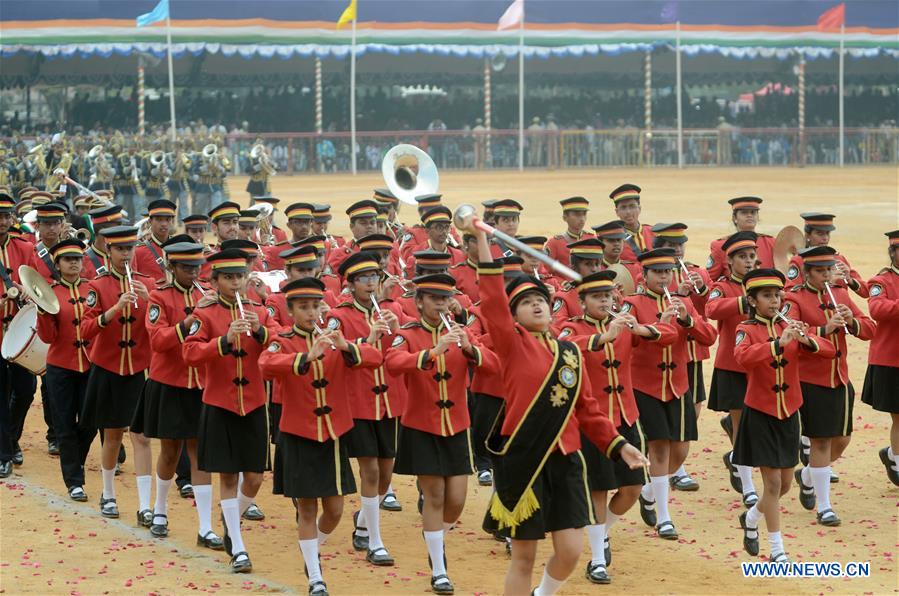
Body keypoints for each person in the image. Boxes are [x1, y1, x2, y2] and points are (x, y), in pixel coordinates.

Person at [469, 221, 648, 596]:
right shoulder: (511, 345)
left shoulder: (569, 353)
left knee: (570, 551)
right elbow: (492, 299)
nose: (536, 305)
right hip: (525, 460)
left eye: (540, 300)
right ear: (513, 316)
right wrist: (483, 238)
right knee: (524, 558)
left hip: (566, 461)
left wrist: (619, 445)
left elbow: (588, 410)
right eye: (525, 302)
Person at [260, 277, 383, 596]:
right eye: (303, 307)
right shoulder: (283, 340)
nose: (311, 313)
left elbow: (374, 359)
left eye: (315, 306)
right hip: (298, 434)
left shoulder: (334, 339)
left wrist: (345, 346)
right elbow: (266, 365)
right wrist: (305, 357)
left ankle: (310, 549)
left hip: (333, 435)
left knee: (336, 510)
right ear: (290, 311)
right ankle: (315, 576)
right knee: (307, 509)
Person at [386, 273, 496, 595]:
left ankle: (435, 537)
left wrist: (469, 348)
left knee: (457, 500)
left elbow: (492, 365)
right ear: (419, 302)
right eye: (434, 299)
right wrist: (433, 351)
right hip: (421, 425)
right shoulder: (407, 333)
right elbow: (394, 362)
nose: (441, 305)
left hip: (457, 425)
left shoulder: (461, 332)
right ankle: (439, 569)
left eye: (445, 299)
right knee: (434, 495)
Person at [182, 249, 277, 573]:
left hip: (254, 403)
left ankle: (230, 517)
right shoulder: (205, 313)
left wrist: (261, 332)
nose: (235, 283)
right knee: (228, 474)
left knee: (255, 477)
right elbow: (190, 353)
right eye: (228, 277)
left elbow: (279, 345)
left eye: (239, 277)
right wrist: (224, 341)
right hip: (220, 403)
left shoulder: (259, 312)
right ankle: (237, 546)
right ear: (216, 281)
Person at [557, 270, 652, 584]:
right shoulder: (573, 327)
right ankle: (598, 560)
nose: (604, 302)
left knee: (633, 489)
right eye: (596, 297)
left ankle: (602, 531)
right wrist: (602, 337)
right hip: (593, 422)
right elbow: (562, 347)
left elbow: (665, 335)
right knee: (598, 490)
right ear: (582, 302)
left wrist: (644, 327)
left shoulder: (623, 324)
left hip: (626, 416)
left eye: (608, 296)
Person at [732, 268, 833, 563]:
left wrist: (806, 339)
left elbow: (828, 350)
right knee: (773, 485)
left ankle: (751, 517)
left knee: (786, 484)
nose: (774, 301)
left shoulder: (789, 325)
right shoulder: (745, 329)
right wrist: (778, 344)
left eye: (777, 295)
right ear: (752, 301)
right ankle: (777, 549)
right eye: (767, 296)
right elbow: (743, 357)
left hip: (789, 411)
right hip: (760, 412)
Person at [625, 248, 716, 539]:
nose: (663, 277)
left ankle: (649, 492)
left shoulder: (683, 302)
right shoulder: (632, 303)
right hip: (646, 387)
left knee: (680, 450)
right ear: (644, 276)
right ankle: (664, 518)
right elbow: (630, 339)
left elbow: (709, 337)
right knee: (660, 449)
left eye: (667, 272)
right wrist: (659, 324)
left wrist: (688, 320)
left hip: (678, 385)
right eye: (657, 272)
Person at [784, 246, 875, 527]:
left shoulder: (840, 294)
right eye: (820, 271)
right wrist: (825, 328)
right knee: (821, 441)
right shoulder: (794, 297)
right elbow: (791, 333)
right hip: (811, 380)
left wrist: (852, 321)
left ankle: (808, 474)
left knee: (842, 439)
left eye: (828, 270)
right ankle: (824, 506)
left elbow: (870, 328)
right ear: (807, 273)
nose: (826, 275)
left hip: (840, 377)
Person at [142, 240, 224, 549]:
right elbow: (158, 341)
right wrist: (190, 320)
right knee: (170, 451)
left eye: (196, 267)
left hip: (201, 385)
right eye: (186, 268)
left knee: (200, 454)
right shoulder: (158, 296)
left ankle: (205, 527)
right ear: (172, 267)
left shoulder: (208, 295)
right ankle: (160, 510)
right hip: (170, 383)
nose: (193, 273)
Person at [328, 252, 405, 566]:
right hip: (358, 402)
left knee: (386, 474)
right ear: (350, 284)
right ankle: (375, 542)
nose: (371, 283)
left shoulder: (391, 310)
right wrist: (367, 337)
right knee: (370, 470)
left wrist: (398, 331)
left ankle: (362, 521)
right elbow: (333, 352)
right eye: (363, 279)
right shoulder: (339, 316)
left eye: (374, 277)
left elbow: (402, 350)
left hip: (390, 402)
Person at [79, 225, 154, 522]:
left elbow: (160, 326)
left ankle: (145, 505)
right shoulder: (98, 286)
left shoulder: (148, 284)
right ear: (108, 251)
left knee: (142, 437)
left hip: (138, 369)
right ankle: (108, 493)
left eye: (129, 249)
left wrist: (150, 300)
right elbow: (85, 329)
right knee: (111, 435)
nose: (126, 254)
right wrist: (113, 310)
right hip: (108, 368)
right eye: (120, 249)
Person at [652, 223, 713, 492]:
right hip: (666, 356)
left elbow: (708, 310)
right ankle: (674, 471)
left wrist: (700, 291)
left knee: (693, 408)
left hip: (691, 353)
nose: (677, 250)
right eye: (670, 245)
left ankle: (674, 465)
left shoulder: (696, 271)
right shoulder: (653, 273)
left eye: (680, 245)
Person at [34, 239, 96, 498]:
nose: (74, 263)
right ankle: (74, 481)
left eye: (77, 259)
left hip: (91, 364)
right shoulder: (49, 293)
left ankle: (75, 462)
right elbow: (48, 337)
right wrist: (42, 312)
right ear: (57, 265)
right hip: (60, 367)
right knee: (64, 423)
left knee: (91, 422)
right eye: (68, 259)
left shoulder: (93, 288)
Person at [706, 231, 760, 506]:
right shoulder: (723, 286)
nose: (748, 261)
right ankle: (748, 485)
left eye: (752, 256)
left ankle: (736, 459)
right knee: (742, 425)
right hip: (732, 365)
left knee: (756, 424)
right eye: (742, 257)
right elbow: (712, 309)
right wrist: (743, 300)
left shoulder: (764, 284)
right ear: (729, 261)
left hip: (760, 364)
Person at [863, 230, 899, 486]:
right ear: (893, 252)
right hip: (890, 359)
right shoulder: (881, 280)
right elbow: (876, 309)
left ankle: (892, 455)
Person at [784, 213, 868, 297]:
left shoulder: (838, 259)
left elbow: (866, 292)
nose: (825, 238)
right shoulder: (799, 260)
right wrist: (827, 283)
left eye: (827, 233)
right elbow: (790, 293)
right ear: (807, 235)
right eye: (820, 234)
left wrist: (850, 280)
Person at [706, 197, 775, 280]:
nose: (749, 215)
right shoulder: (720, 246)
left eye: (753, 212)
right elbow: (710, 279)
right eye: (744, 212)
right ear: (735, 218)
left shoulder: (771, 243)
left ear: (757, 217)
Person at [551, 238, 604, 325]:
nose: (594, 269)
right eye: (588, 264)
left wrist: (619, 309)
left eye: (597, 264)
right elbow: (558, 326)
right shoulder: (564, 297)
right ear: (574, 268)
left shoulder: (612, 292)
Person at [132, 199, 176, 283]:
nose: (164, 224)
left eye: (168, 219)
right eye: (159, 219)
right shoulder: (138, 252)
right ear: (150, 221)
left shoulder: (180, 248)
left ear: (172, 222)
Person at [543, 196, 593, 268]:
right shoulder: (554, 243)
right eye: (577, 215)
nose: (582, 219)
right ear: (565, 217)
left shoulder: (592, 239)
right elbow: (544, 269)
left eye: (584, 214)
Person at [608, 184, 654, 262]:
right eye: (623, 207)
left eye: (632, 206)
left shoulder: (654, 233)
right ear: (617, 212)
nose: (628, 212)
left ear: (639, 208)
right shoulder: (612, 239)